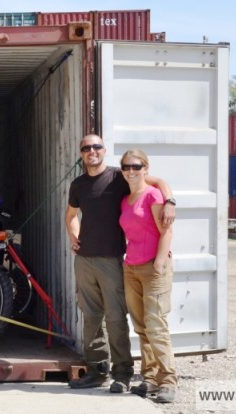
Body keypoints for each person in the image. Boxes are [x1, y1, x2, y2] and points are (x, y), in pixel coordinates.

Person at [64, 134, 175, 393]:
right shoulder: (78, 184)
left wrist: (170, 201)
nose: (92, 151)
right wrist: (74, 235)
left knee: (116, 318)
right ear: (81, 153)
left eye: (97, 147)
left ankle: (122, 373)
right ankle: (96, 370)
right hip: (85, 260)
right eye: (86, 148)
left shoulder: (120, 177)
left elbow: (157, 181)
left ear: (104, 150)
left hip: (113, 259)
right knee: (91, 318)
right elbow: (70, 215)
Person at [118, 149, 177, 403]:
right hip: (130, 268)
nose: (131, 171)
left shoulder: (153, 195)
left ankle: (168, 380)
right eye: (126, 167)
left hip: (153, 268)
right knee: (141, 326)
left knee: (156, 325)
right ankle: (150, 377)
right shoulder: (125, 200)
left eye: (136, 166)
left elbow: (166, 232)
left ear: (146, 168)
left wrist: (160, 262)